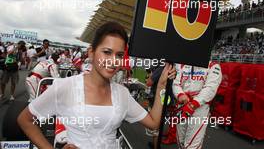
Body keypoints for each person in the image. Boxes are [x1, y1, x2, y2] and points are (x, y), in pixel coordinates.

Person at [18, 22, 176, 149]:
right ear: (92, 53)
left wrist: (161, 85)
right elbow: (25, 120)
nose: (113, 60)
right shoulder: (65, 86)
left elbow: (154, 122)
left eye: (119, 55)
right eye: (107, 52)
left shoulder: (122, 93)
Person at [172, 62, 222, 149]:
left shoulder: (213, 66)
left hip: (200, 108)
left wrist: (194, 104)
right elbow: (176, 83)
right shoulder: (181, 64)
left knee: (193, 144)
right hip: (182, 105)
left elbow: (211, 88)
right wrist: (180, 94)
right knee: (180, 140)